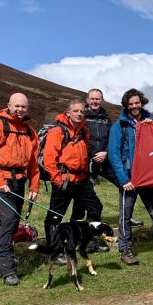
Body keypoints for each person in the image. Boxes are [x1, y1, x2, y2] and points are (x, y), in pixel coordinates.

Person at [109, 88, 153, 265]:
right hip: (129, 178)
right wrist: (123, 179)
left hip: (149, 177)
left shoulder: (151, 122)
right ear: (126, 105)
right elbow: (114, 154)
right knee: (125, 215)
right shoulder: (119, 126)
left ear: (142, 103)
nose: (134, 106)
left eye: (137, 103)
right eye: (131, 103)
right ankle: (125, 249)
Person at [0, 93, 40, 286]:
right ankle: (8, 270)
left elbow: (33, 162)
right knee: (8, 221)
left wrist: (34, 186)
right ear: (9, 105)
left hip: (19, 182)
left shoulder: (29, 131)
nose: (20, 109)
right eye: (16, 106)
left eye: (23, 106)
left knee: (11, 224)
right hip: (1, 181)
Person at [71, 88, 144, 228]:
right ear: (87, 100)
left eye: (98, 99)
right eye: (92, 99)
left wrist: (106, 152)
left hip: (106, 160)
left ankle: (127, 218)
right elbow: (79, 139)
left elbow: (112, 138)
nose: (95, 101)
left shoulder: (106, 118)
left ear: (102, 100)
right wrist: (93, 154)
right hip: (88, 161)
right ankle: (77, 222)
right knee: (83, 190)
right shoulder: (81, 117)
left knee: (126, 184)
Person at [42, 99, 105, 256]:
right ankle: (55, 250)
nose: (79, 114)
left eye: (82, 111)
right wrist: (58, 180)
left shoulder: (84, 130)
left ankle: (85, 241)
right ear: (68, 113)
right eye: (75, 111)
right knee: (55, 217)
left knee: (95, 208)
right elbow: (49, 160)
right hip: (64, 180)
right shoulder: (57, 131)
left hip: (82, 180)